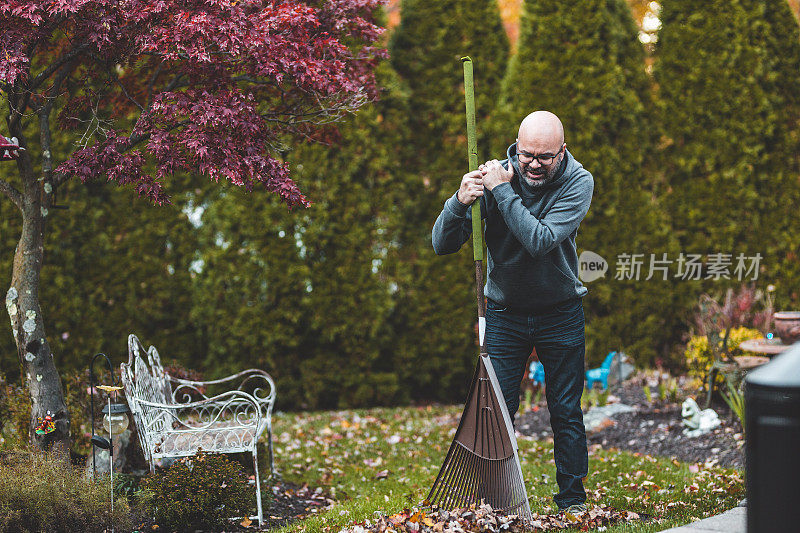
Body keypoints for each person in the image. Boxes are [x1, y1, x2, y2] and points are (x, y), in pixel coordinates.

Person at [431, 110, 594, 513]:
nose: (534, 165)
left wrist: (502, 191)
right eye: (526, 156)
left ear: (563, 151)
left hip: (561, 312)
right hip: (504, 313)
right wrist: (459, 201)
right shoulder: (495, 178)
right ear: (516, 147)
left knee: (566, 411)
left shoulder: (578, 182)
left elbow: (539, 240)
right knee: (497, 412)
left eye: (545, 156)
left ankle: (572, 500)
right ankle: (496, 500)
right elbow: (441, 244)